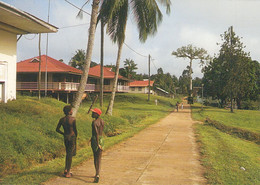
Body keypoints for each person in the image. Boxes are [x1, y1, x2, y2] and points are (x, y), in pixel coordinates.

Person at [56, 105, 77, 178]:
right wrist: (76, 136)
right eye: (71, 110)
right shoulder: (73, 119)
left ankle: (65, 169)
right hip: (72, 137)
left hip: (66, 137)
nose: (72, 111)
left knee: (67, 153)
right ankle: (68, 172)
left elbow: (57, 129)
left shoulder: (62, 119)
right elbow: (75, 130)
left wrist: (63, 133)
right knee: (70, 154)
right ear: (69, 111)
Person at [90, 108, 104, 183]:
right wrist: (100, 142)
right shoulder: (102, 121)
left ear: (97, 114)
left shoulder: (94, 122)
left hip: (96, 140)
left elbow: (96, 133)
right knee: (99, 157)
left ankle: (97, 174)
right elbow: (100, 132)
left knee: (95, 157)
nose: (92, 114)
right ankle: (97, 173)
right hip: (102, 139)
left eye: (93, 113)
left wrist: (97, 143)